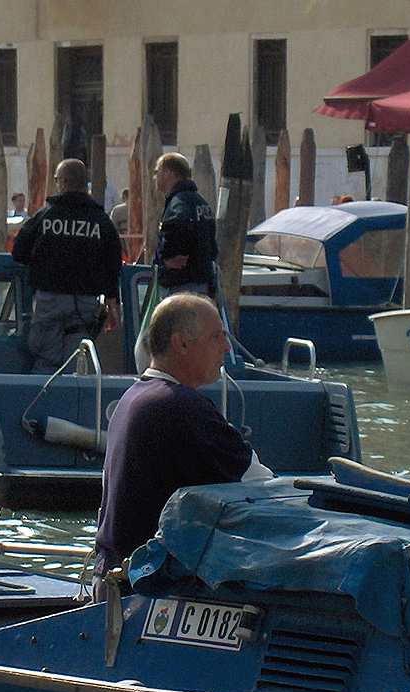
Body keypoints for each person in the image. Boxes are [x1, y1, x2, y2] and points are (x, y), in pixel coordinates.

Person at [94, 293, 271, 578]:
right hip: (149, 583)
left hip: (114, 575)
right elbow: (262, 487)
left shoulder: (134, 397)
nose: (226, 347)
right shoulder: (178, 405)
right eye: (216, 337)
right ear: (181, 343)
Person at [12, 157, 123, 373]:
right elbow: (113, 264)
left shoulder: (45, 217)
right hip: (85, 304)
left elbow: (19, 251)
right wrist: (112, 304)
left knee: (45, 360)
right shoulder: (101, 222)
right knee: (76, 363)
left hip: (49, 300)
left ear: (62, 182)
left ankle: (45, 401)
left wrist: (42, 264)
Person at [152, 152, 217, 297]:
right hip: (202, 285)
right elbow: (213, 248)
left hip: (180, 287)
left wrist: (167, 257)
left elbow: (178, 223)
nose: (154, 177)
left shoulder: (178, 202)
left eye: (157, 172)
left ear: (168, 173)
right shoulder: (202, 203)